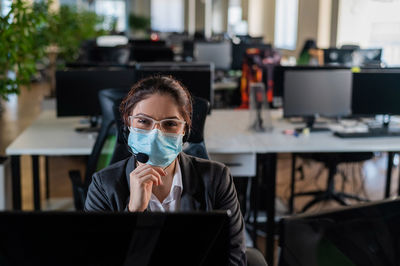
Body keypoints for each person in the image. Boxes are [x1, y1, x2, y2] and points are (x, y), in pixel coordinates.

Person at [84, 76, 247, 265]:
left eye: (170, 124)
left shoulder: (216, 178)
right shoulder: (103, 185)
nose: (156, 135)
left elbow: (235, 257)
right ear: (128, 126)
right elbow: (97, 258)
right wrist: (133, 212)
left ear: (184, 131)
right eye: (144, 121)